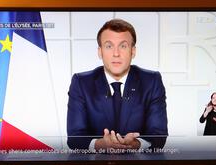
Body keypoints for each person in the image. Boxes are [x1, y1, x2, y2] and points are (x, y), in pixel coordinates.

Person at [67, 19, 168, 152]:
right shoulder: (81, 82)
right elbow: (75, 138)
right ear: (100, 51)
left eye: (123, 46)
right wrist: (100, 144)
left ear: (133, 51)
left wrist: (137, 144)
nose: (116, 53)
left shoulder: (152, 81)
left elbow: (158, 135)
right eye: (109, 46)